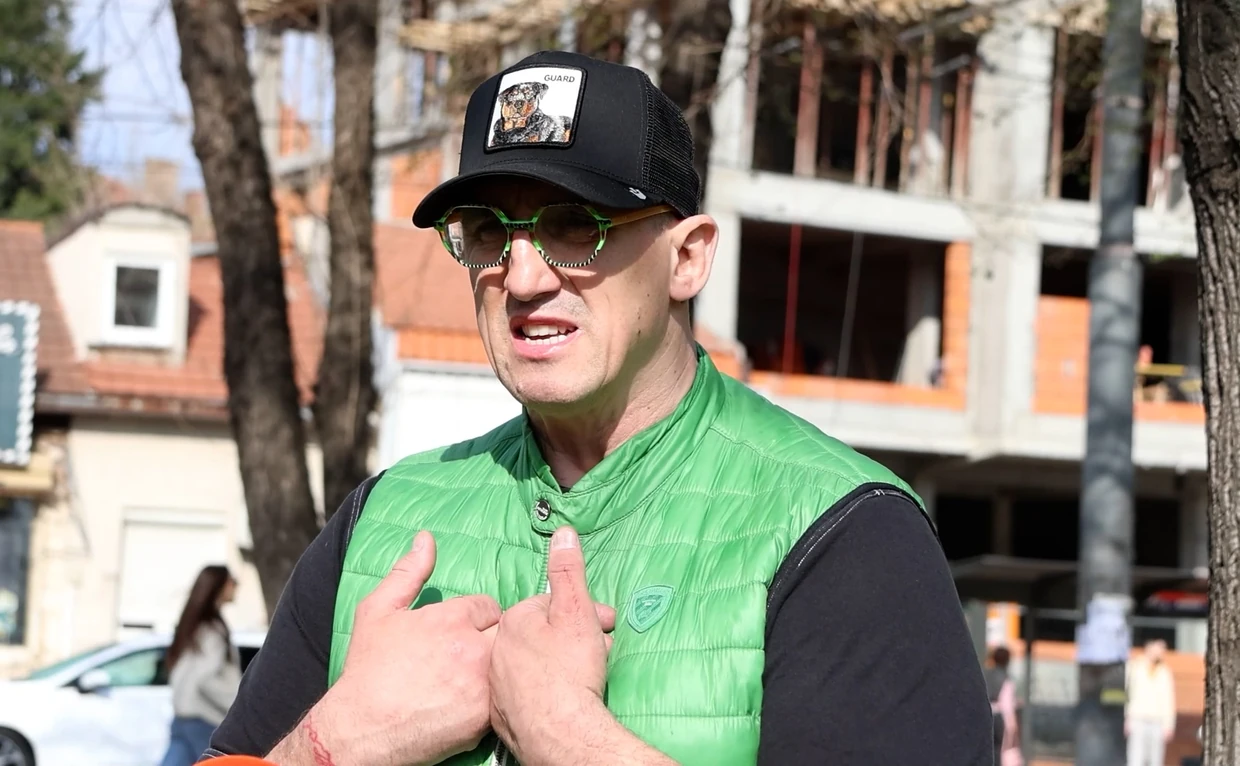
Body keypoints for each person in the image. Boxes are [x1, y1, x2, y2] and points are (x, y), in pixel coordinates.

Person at [202, 50, 992, 765]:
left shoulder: (845, 531)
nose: (522, 278)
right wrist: (334, 742)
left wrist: (564, 734)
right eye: (487, 232)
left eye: (575, 225)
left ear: (688, 258)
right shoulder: (381, 520)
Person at [160, 565, 241, 766]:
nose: (236, 586)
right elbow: (206, 678)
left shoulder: (194, 626)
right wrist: (237, 705)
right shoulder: (213, 631)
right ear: (219, 586)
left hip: (184, 716)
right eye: (232, 582)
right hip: (204, 720)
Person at [1126, 638, 1177, 766]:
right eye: (1159, 648)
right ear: (1150, 647)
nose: (1162, 652)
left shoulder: (1164, 671)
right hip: (1138, 718)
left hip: (1157, 721)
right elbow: (1127, 692)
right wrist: (1126, 718)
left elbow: (1168, 699)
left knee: (1156, 760)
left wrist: (1169, 725)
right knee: (1135, 758)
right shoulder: (1135, 666)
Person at [984, 646, 1023, 766]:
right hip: (999, 718)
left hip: (985, 714)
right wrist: (1012, 726)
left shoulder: (985, 674)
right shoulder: (1006, 678)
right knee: (998, 751)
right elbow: (1007, 704)